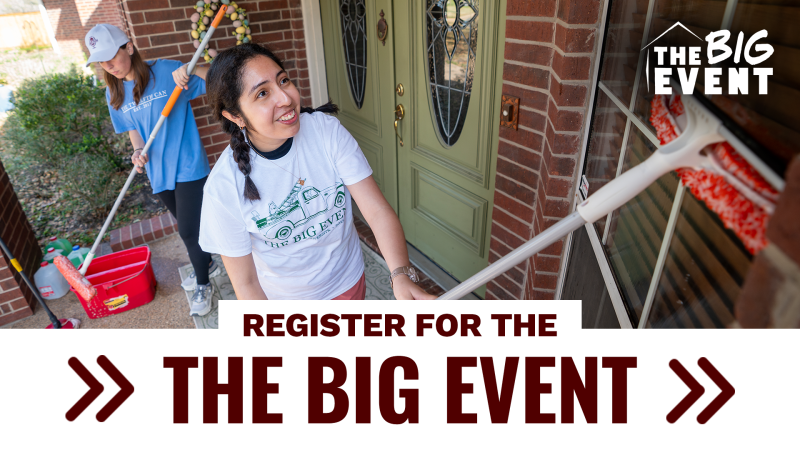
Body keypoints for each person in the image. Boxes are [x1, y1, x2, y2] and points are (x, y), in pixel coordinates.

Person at [197, 43, 435, 300]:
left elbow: (376, 210)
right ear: (236, 116)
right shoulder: (222, 187)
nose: (286, 98)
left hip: (349, 281)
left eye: (284, 80)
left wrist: (400, 274)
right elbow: (246, 283)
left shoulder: (326, 132)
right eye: (262, 94)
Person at [85, 24, 219, 315]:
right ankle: (207, 261)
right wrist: (136, 152)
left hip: (188, 165)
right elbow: (134, 130)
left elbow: (217, 79)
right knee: (191, 227)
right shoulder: (114, 91)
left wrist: (192, 69)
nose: (108, 65)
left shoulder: (168, 72)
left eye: (111, 56)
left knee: (187, 231)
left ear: (129, 48)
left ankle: (203, 284)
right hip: (158, 171)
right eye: (100, 60)